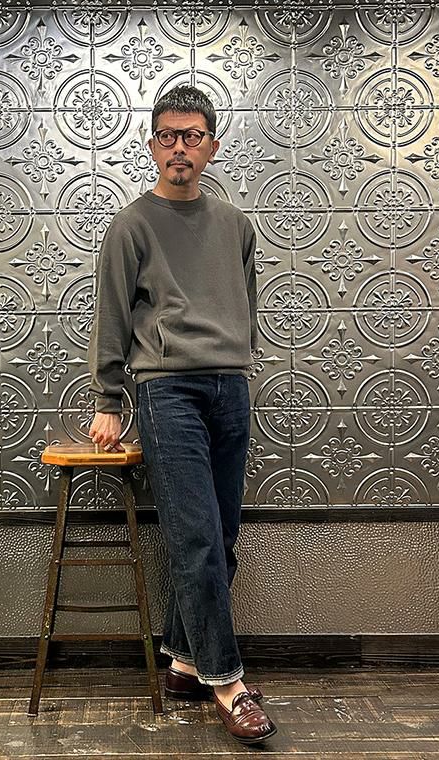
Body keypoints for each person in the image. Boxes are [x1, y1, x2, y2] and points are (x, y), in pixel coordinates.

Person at [87, 84, 276, 744]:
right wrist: (109, 401)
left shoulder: (235, 225)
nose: (179, 148)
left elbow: (246, 304)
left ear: (211, 147)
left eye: (192, 136)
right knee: (195, 537)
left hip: (230, 387)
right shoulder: (132, 224)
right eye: (167, 136)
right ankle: (228, 683)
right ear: (152, 146)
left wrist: (239, 363)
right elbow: (112, 314)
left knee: (220, 539)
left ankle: (185, 662)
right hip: (166, 390)